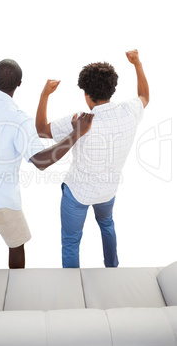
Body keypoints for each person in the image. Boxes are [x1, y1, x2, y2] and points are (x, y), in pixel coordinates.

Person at [0, 16, 94, 269]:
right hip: (3, 199)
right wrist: (76, 133)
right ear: (19, 84)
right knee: (16, 246)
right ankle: (15, 293)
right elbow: (40, 162)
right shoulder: (19, 120)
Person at [36, 50, 149, 268]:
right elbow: (144, 96)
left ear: (86, 94)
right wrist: (137, 63)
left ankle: (73, 289)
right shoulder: (130, 111)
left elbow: (41, 130)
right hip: (108, 191)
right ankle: (112, 268)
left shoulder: (79, 120)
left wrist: (44, 95)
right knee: (107, 225)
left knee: (71, 241)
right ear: (112, 89)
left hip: (77, 195)